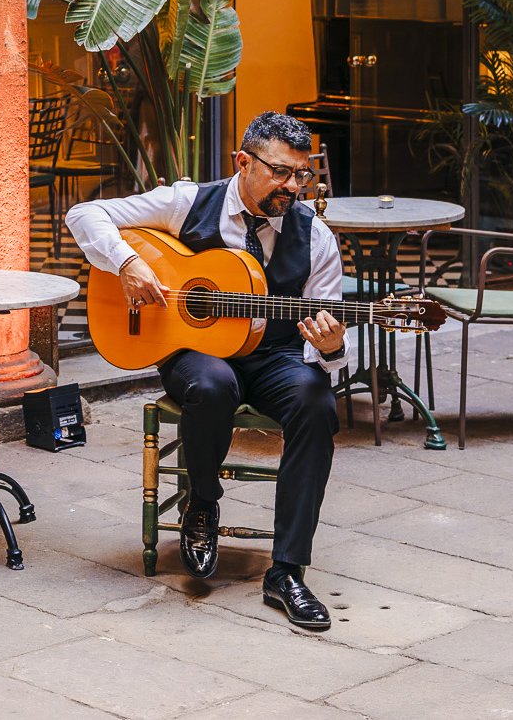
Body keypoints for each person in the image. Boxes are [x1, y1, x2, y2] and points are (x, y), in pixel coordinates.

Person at [63, 111, 348, 631]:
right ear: (243, 162)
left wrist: (332, 348)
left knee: (316, 401)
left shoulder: (316, 237)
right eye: (281, 172)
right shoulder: (187, 202)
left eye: (301, 174)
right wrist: (127, 264)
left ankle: (286, 572)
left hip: (274, 356)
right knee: (212, 385)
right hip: (193, 349)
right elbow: (84, 214)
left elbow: (325, 341)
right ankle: (203, 505)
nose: (292, 186)